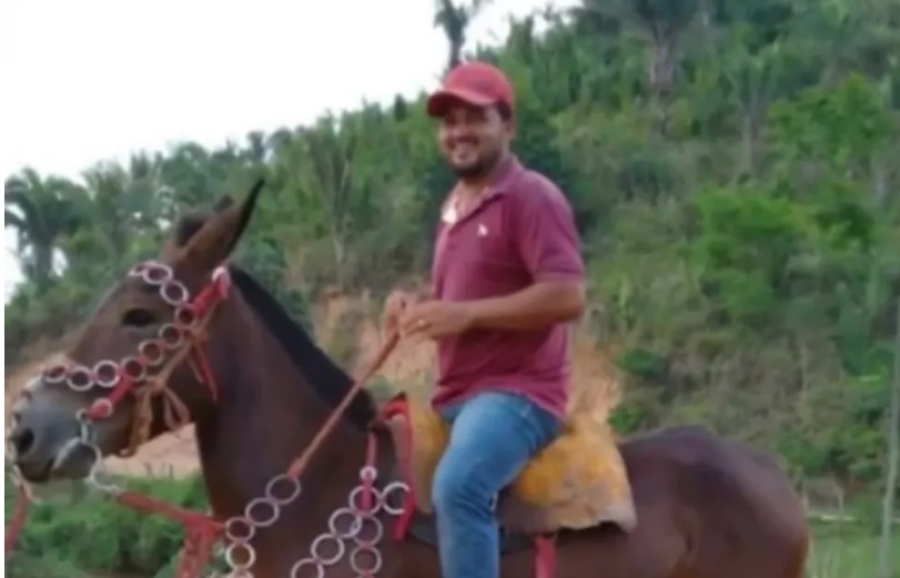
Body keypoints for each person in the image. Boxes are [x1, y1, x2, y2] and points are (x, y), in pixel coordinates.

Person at [382, 61, 586, 578]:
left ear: (508, 125)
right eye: (449, 122)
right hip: (454, 395)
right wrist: (413, 306)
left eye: (475, 118)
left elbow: (567, 295)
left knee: (459, 488)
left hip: (517, 395)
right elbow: (466, 293)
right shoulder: (454, 206)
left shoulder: (531, 196)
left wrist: (467, 316)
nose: (459, 132)